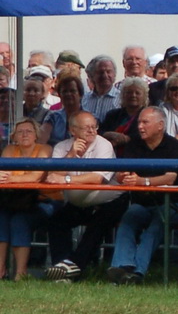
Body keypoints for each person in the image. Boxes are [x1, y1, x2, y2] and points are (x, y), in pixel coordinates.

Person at [105, 105, 178, 284]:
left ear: (160, 125)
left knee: (156, 227)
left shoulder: (175, 146)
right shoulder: (133, 144)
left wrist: (143, 182)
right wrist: (122, 176)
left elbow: (171, 177)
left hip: (171, 204)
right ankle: (123, 266)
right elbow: (123, 171)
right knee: (128, 221)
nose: (140, 126)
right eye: (139, 122)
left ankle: (137, 272)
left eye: (145, 122)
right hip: (141, 203)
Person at [41, 113, 126, 282]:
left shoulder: (104, 145)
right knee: (56, 222)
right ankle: (61, 267)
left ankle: (73, 267)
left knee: (97, 224)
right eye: (86, 127)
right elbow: (52, 176)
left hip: (110, 200)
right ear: (72, 130)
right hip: (79, 202)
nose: (92, 131)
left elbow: (97, 178)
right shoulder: (61, 147)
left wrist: (66, 179)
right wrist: (71, 155)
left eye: (94, 127)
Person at [0, 118, 53, 281]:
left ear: (36, 135)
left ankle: (20, 273)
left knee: (19, 221)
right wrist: (21, 177)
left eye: (29, 131)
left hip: (44, 201)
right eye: (20, 131)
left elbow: (37, 176)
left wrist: (13, 178)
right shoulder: (9, 149)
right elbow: (3, 173)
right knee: (1, 217)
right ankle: (1, 268)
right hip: (14, 200)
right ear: (14, 136)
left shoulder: (45, 149)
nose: (24, 134)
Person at [100, 76, 151, 147]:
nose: (133, 95)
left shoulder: (150, 117)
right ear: (123, 95)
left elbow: (151, 135)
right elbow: (100, 132)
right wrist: (109, 134)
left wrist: (127, 139)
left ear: (145, 96)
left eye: (137, 93)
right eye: (129, 92)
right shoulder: (112, 115)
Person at [81, 54, 120, 120]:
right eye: (101, 72)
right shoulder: (84, 99)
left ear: (114, 74)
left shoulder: (121, 99)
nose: (105, 75)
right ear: (91, 75)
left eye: (108, 71)